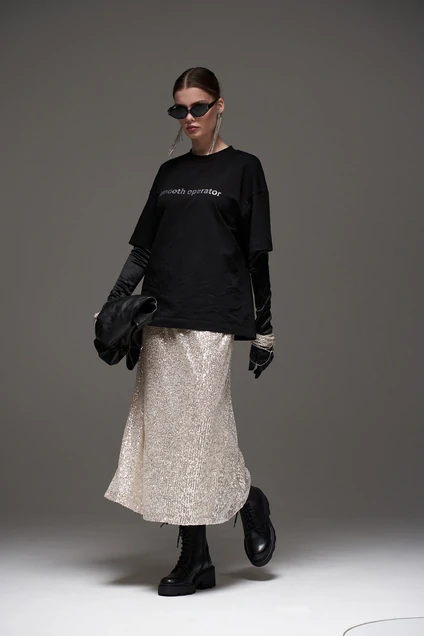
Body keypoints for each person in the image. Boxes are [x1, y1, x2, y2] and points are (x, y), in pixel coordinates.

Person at [95, 67, 276, 596]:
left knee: (199, 430)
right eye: (180, 109)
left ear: (220, 106)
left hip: (213, 314)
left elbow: (257, 254)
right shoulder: (168, 172)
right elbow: (143, 249)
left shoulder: (245, 168)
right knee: (173, 437)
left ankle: (245, 501)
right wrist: (112, 303)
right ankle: (198, 557)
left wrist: (264, 330)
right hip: (161, 313)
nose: (189, 117)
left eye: (198, 107)